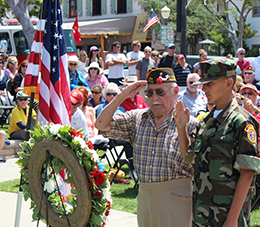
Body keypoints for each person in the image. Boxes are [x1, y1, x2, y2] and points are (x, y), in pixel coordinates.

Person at [95, 68, 198, 227]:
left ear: (175, 91)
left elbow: (196, 164)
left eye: (160, 92)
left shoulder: (190, 123)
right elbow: (101, 124)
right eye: (149, 93)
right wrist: (122, 95)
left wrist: (182, 128)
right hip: (145, 198)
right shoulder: (136, 118)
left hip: (178, 199)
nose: (154, 98)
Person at [176, 58, 260, 226]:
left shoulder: (241, 121)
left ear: (229, 82)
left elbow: (247, 173)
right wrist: (181, 127)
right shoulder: (206, 120)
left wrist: (232, 219)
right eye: (203, 83)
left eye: (210, 83)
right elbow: (188, 157)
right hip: (202, 214)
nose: (204, 88)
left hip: (228, 216)